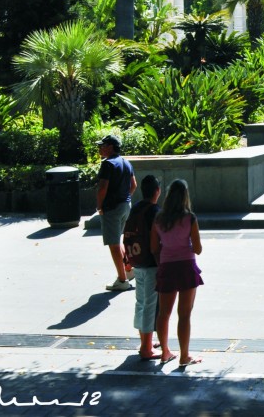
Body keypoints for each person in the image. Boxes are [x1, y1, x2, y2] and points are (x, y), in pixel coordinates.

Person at [151, 179, 204, 366]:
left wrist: (163, 261)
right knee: (184, 315)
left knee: (163, 313)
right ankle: (184, 356)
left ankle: (165, 352)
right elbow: (198, 249)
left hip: (167, 267)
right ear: (185, 197)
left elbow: (153, 247)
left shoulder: (159, 219)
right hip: (186, 268)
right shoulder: (190, 218)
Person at [123, 175, 162, 360]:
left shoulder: (136, 208)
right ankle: (146, 348)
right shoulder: (155, 211)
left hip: (136, 260)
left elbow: (126, 234)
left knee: (140, 302)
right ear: (157, 191)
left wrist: (128, 260)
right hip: (151, 262)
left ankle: (144, 340)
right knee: (150, 305)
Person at [96, 134, 138, 292]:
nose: (100, 148)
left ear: (111, 147)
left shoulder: (107, 164)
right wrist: (125, 198)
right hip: (125, 205)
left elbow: (102, 188)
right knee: (117, 239)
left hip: (112, 208)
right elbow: (133, 184)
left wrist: (99, 206)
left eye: (103, 145)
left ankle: (122, 280)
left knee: (113, 244)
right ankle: (128, 269)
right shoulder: (126, 162)